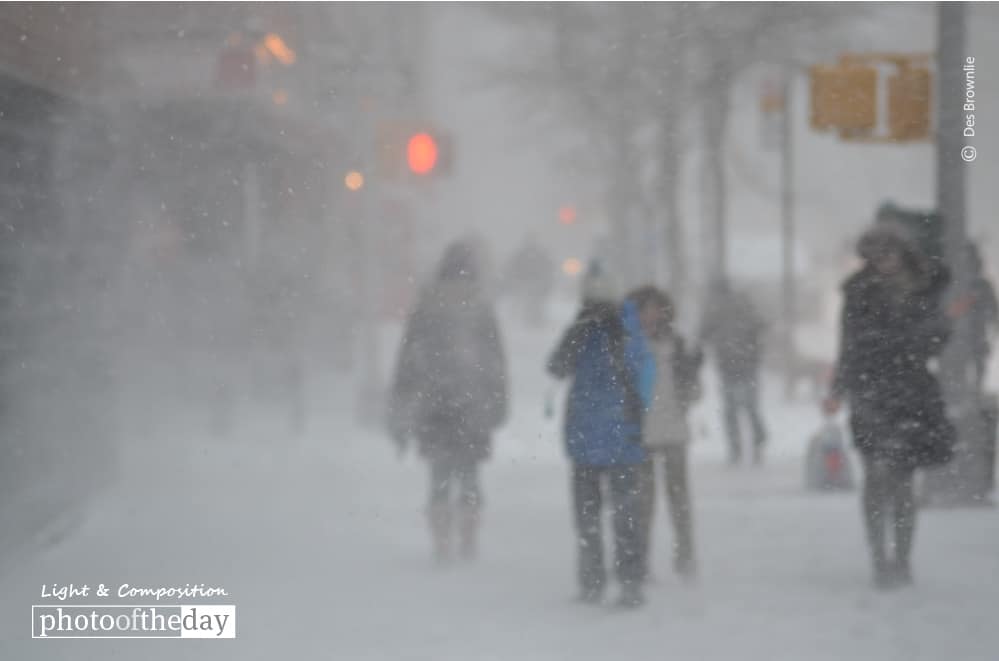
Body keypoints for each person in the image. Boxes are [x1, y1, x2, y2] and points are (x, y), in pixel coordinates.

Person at [823, 222, 954, 589]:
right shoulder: (858, 292)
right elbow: (847, 344)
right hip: (870, 392)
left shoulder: (924, 289)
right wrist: (838, 388)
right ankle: (879, 557)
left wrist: (914, 338)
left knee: (903, 481)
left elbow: (935, 337)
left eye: (889, 253)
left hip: (911, 393)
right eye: (877, 255)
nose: (884, 262)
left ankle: (903, 558)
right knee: (876, 477)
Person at [387, 240, 509, 565]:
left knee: (439, 475)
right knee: (469, 473)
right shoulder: (480, 307)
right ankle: (468, 538)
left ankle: (442, 540)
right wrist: (498, 403)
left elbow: (407, 360)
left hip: (433, 403)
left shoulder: (426, 307)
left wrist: (400, 403)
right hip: (473, 403)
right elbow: (495, 360)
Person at [547, 261, 654, 608]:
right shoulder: (627, 327)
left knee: (591, 517)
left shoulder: (597, 327)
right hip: (619, 436)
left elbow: (556, 367)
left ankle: (598, 581)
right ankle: (626, 582)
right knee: (622, 515)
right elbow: (644, 376)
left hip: (592, 435)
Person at [628, 286, 704, 582]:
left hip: (673, 431)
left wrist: (693, 374)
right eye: (643, 309)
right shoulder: (629, 346)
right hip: (641, 434)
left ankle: (685, 556)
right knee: (643, 502)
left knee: (679, 500)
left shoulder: (678, 346)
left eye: (654, 308)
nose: (649, 315)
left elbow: (693, 391)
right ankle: (642, 560)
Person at [699, 280, 769, 465]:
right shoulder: (744, 304)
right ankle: (757, 442)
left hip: (728, 366)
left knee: (731, 410)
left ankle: (736, 447)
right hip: (747, 365)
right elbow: (761, 325)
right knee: (750, 408)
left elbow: (703, 333)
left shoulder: (715, 309)